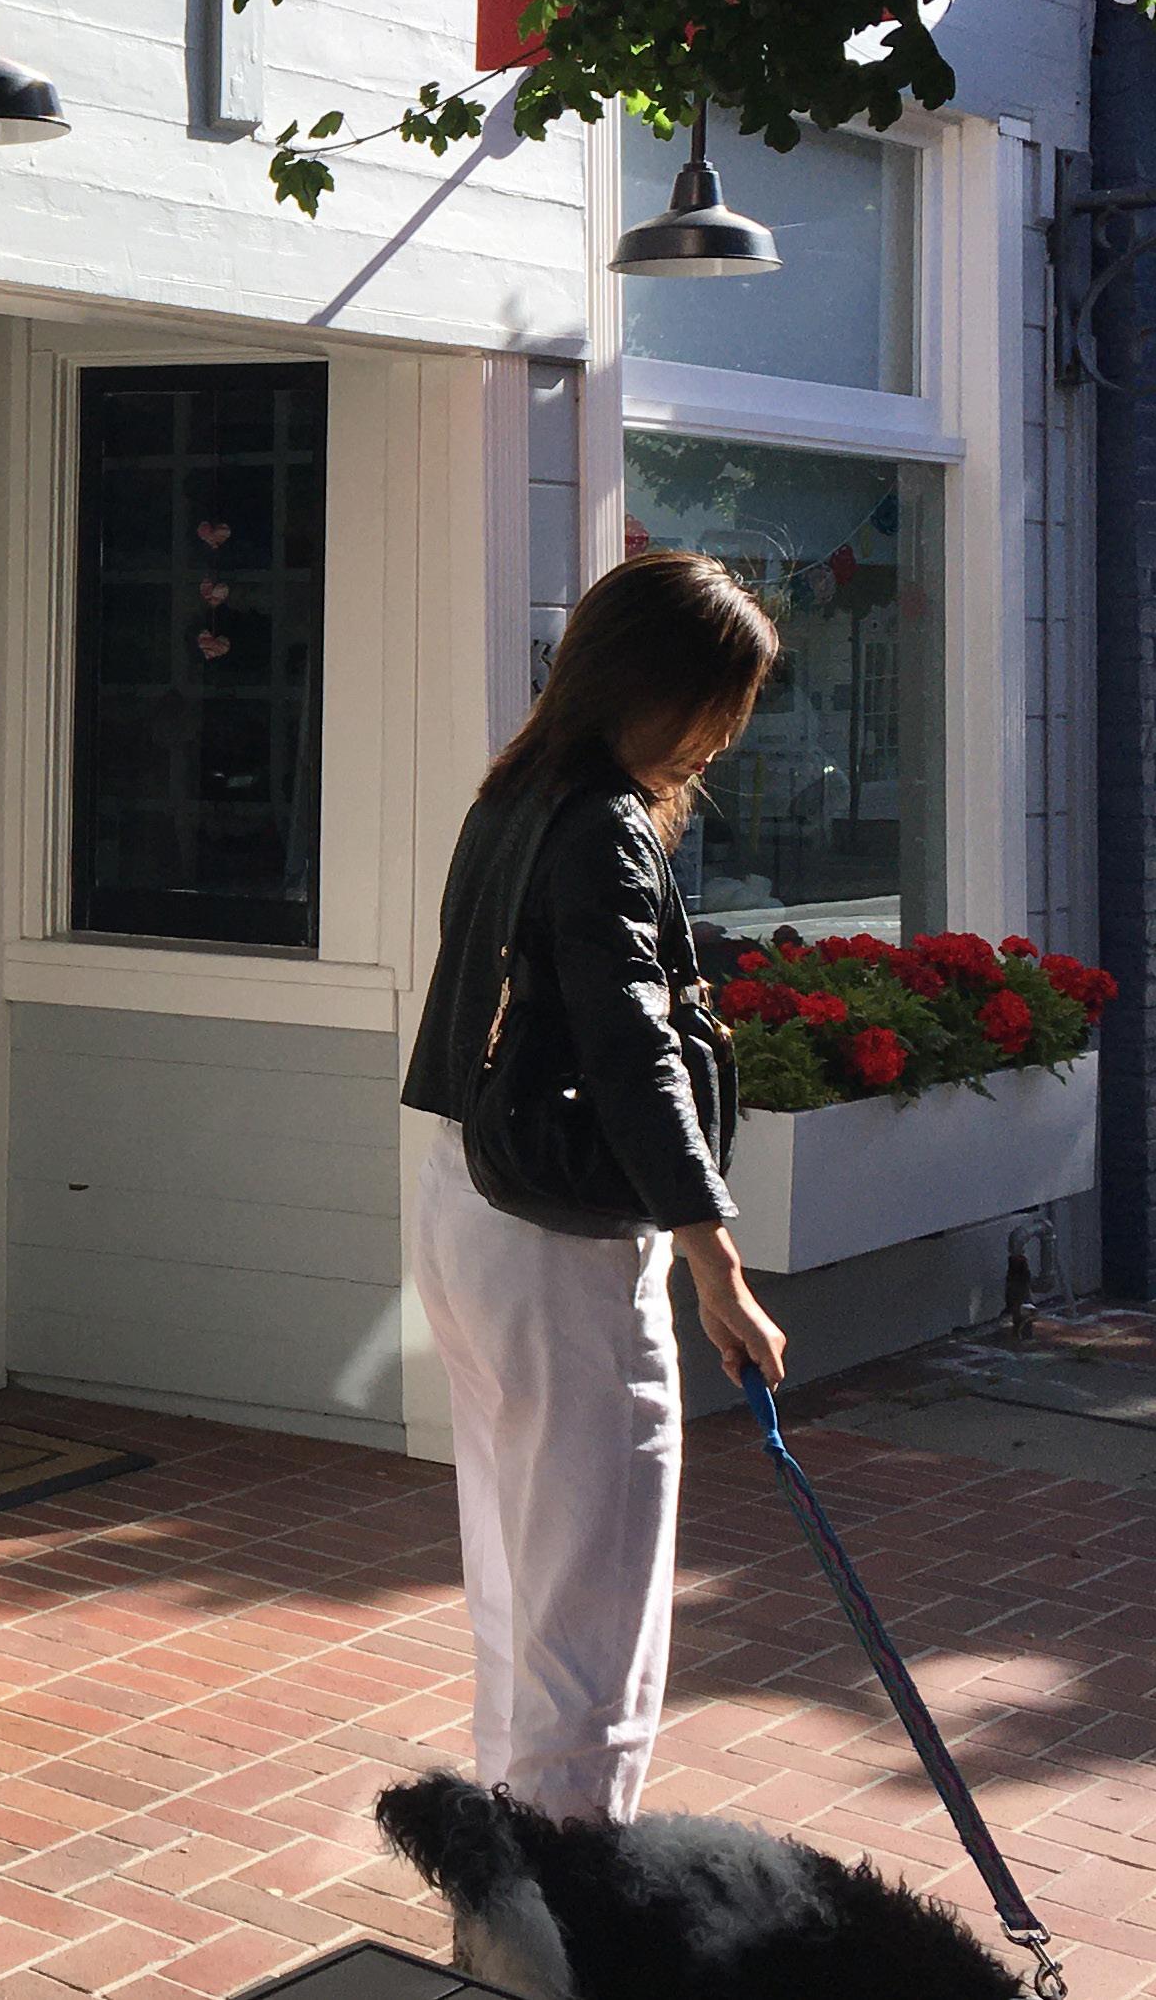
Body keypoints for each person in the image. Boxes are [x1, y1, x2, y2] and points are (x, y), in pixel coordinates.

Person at [398, 548, 790, 1831]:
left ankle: (508, 1880)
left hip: (464, 1200)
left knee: (518, 1573)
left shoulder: (510, 794)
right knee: (594, 1600)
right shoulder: (605, 822)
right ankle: (571, 1893)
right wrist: (713, 1260)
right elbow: (631, 1047)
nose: (723, 736)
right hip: (556, 1237)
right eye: (721, 703)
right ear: (661, 686)